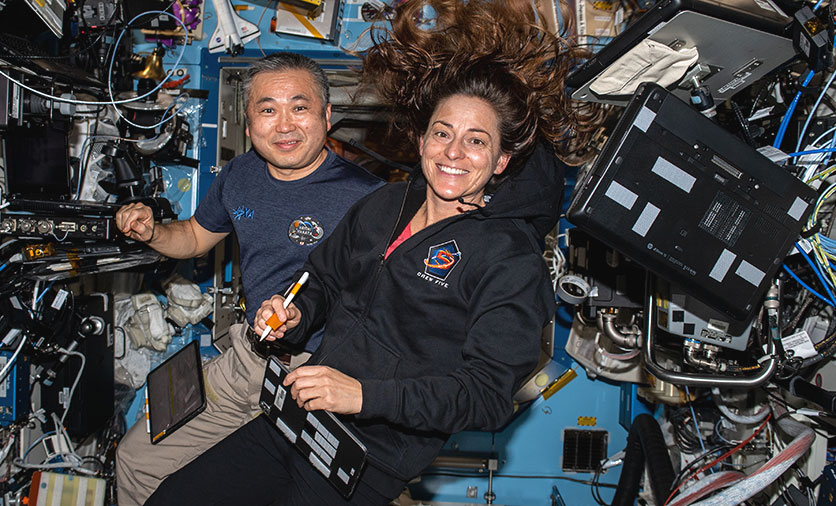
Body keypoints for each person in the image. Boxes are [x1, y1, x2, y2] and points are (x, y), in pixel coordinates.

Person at [145, 1, 602, 505]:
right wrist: (293, 314)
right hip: (295, 417)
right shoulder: (386, 203)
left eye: (476, 141)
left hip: (367, 459)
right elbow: (320, 280)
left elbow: (485, 396)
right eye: (443, 133)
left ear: (501, 161)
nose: (454, 152)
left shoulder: (510, 261)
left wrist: (362, 396)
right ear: (423, 139)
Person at [113, 52, 383, 506]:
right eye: (267, 109)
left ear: (326, 116)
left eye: (299, 108)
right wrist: (153, 231)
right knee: (136, 460)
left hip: (318, 375)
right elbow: (196, 237)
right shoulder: (240, 175)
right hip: (249, 360)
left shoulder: (367, 198)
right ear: (247, 118)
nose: (284, 125)